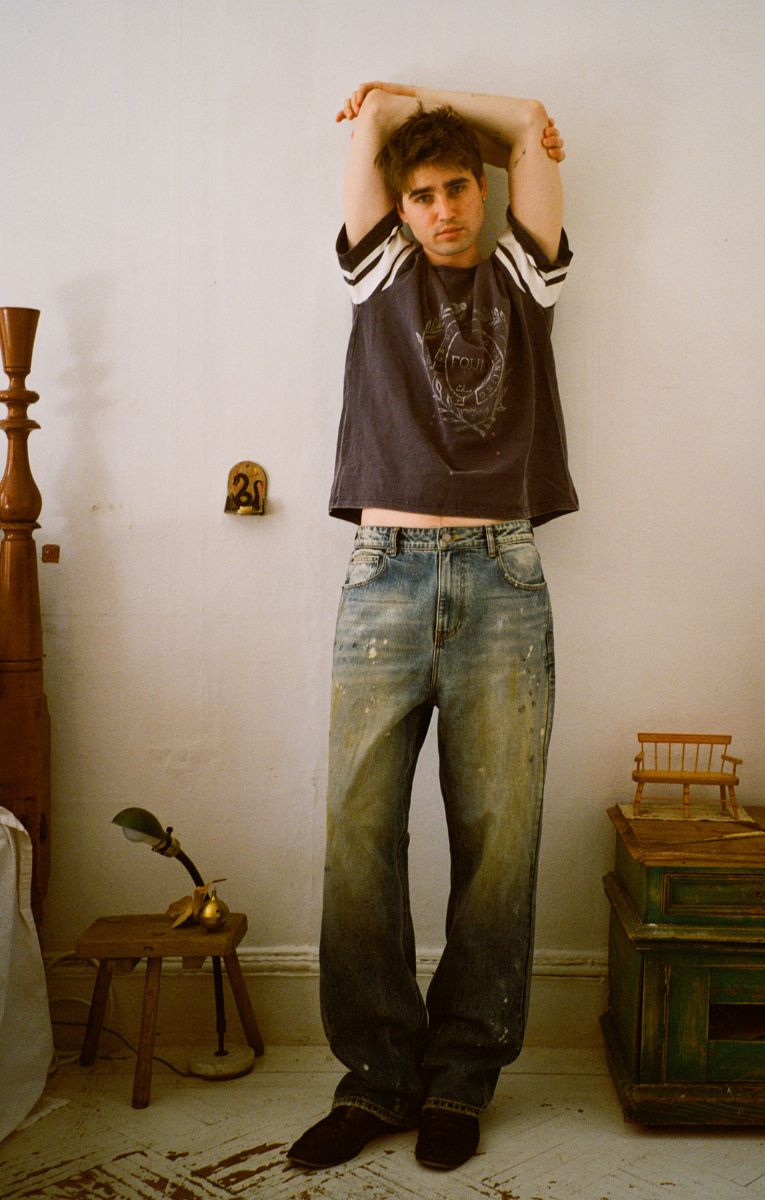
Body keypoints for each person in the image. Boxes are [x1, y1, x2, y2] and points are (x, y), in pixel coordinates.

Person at [287, 80, 578, 1173]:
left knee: (498, 843)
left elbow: (532, 120)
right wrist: (391, 106)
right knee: (359, 838)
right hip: (385, 575)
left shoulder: (522, 278)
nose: (445, 208)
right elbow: (367, 135)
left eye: (460, 187)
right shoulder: (379, 276)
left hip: (503, 577)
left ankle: (460, 1082)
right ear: (400, 211)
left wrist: (455, 108)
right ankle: (376, 1080)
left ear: (486, 194)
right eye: (424, 194)